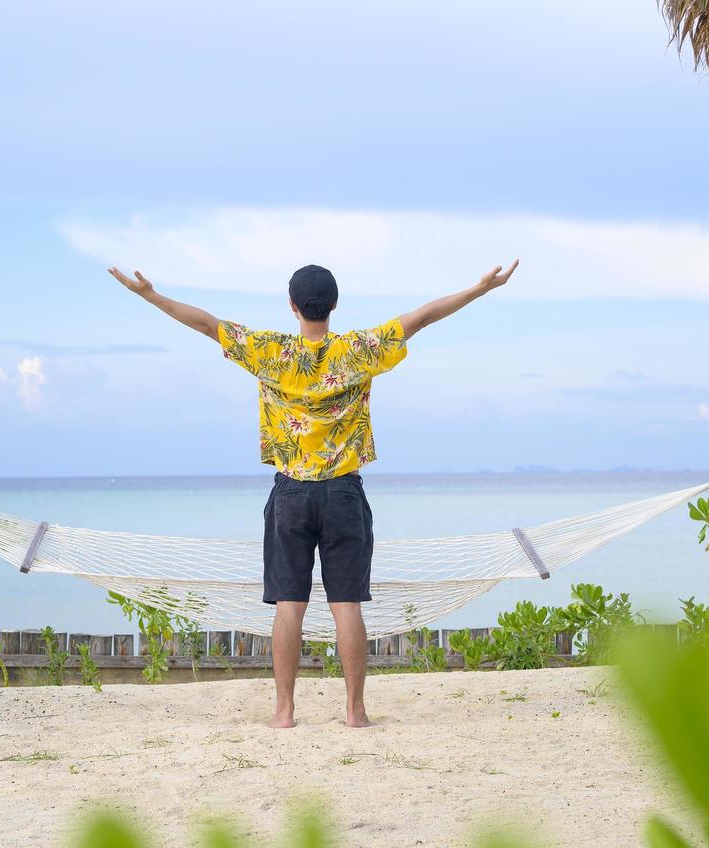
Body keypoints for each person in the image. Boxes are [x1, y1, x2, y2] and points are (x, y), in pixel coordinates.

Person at [108, 260, 519, 726]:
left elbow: (204, 324)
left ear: (292, 306)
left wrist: (150, 296)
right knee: (347, 607)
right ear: (335, 305)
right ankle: (355, 711)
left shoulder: (271, 352)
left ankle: (284, 712)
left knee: (289, 606)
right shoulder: (356, 350)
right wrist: (480, 289)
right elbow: (423, 317)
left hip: (291, 495)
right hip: (344, 492)